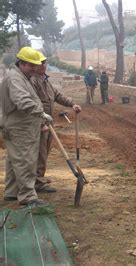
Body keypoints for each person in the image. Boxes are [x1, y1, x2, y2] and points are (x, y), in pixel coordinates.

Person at [1, 47, 52, 206]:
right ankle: (28, 197)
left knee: (14, 160)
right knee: (26, 161)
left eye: (35, 66)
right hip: (20, 128)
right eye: (31, 65)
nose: (34, 69)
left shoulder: (23, 76)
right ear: (21, 63)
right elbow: (22, 100)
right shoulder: (15, 79)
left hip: (20, 126)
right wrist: (41, 114)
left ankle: (12, 192)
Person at [31, 51, 82, 193]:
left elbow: (57, 95)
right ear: (34, 65)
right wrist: (41, 122)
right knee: (40, 152)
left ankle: (38, 177)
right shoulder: (33, 81)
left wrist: (72, 104)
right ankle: (37, 183)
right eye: (40, 63)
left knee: (45, 151)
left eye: (45, 63)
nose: (44, 66)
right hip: (40, 123)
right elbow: (33, 103)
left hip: (48, 122)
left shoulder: (45, 80)